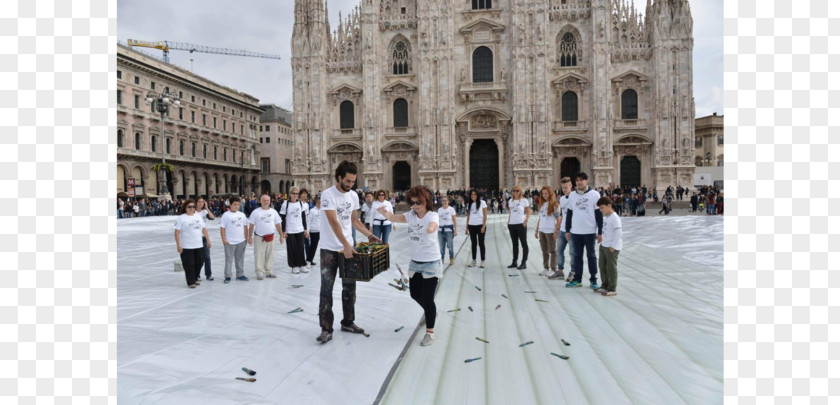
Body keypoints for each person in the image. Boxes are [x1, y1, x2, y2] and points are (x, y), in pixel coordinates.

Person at [316, 161, 381, 344]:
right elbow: (333, 221)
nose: (351, 185)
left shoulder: (353, 196)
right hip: (330, 249)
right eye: (348, 181)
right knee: (326, 289)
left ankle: (348, 322)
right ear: (339, 177)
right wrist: (344, 244)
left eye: (353, 181)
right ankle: (326, 328)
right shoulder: (328, 195)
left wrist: (370, 235)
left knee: (349, 288)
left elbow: (354, 221)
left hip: (348, 248)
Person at [376, 185, 441, 346]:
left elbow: (433, 226)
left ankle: (430, 332)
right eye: (412, 203)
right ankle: (430, 310)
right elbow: (393, 218)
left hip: (431, 262)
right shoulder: (410, 215)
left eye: (418, 202)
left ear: (426, 200)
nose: (415, 206)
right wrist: (384, 213)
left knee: (427, 297)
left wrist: (430, 228)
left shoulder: (433, 215)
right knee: (414, 294)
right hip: (415, 262)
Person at [564, 172, 604, 289]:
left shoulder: (594, 194)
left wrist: (600, 232)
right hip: (576, 231)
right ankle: (577, 279)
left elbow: (599, 214)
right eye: (577, 180)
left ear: (586, 181)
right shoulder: (572, 195)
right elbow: (569, 214)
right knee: (577, 256)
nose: (579, 182)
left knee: (591, 255)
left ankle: (593, 279)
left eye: (581, 180)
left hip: (590, 231)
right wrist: (567, 230)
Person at [173, 199, 211, 288]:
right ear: (185, 208)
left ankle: (194, 277)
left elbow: (204, 229)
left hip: (198, 244)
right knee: (189, 264)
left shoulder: (198, 216)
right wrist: (178, 244)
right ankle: (191, 282)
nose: (191, 208)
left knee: (200, 261)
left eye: (193, 207)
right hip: (186, 245)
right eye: (189, 207)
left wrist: (208, 240)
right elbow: (177, 232)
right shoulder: (181, 218)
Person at [248, 194, 285, 280]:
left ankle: (268, 271)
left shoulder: (273, 212)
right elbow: (251, 225)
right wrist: (249, 237)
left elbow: (277, 224)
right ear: (260, 201)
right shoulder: (256, 212)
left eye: (268, 200)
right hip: (259, 237)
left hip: (271, 237)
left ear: (270, 201)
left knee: (270, 255)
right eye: (264, 200)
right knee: (259, 255)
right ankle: (259, 272)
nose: (266, 202)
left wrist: (281, 235)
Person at [596, 196, 622, 297]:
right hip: (604, 245)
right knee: (602, 266)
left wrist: (613, 245)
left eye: (602, 208)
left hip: (611, 247)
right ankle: (604, 285)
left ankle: (612, 288)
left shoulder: (615, 217)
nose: (600, 210)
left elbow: (618, 232)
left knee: (611, 267)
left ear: (609, 206)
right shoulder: (607, 217)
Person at [279, 186, 309, 274]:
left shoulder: (300, 204)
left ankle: (302, 264)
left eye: (297, 193)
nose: (295, 195)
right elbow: (283, 218)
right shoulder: (285, 204)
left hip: (299, 229)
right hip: (290, 230)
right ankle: (294, 266)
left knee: (300, 247)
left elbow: (303, 217)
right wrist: (284, 230)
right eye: (294, 193)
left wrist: (305, 229)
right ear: (290, 194)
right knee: (292, 248)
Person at [219, 196, 249, 283]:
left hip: (241, 241)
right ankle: (228, 275)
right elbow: (222, 228)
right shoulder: (226, 215)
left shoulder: (242, 215)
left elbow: (245, 227)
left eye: (238, 204)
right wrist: (224, 239)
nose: (236, 206)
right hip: (230, 241)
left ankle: (240, 274)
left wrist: (245, 238)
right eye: (234, 204)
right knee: (229, 259)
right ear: (230, 205)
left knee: (240, 259)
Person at [535, 186, 562, 277]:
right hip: (542, 230)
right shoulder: (542, 204)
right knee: (544, 250)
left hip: (550, 230)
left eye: (546, 193)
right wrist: (537, 229)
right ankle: (546, 268)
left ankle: (553, 268)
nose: (544, 195)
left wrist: (556, 231)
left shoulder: (555, 204)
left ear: (550, 194)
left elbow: (558, 219)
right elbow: (540, 218)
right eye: (543, 193)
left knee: (552, 250)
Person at [551, 178, 575, 281]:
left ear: (571, 186)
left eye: (566, 187)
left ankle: (573, 271)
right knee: (559, 251)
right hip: (563, 229)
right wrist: (558, 229)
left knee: (572, 252)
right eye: (563, 188)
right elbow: (562, 215)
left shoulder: (575, 198)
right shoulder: (562, 199)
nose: (564, 189)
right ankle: (560, 271)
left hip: (573, 230)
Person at [506, 185, 531, 270]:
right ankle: (514, 261)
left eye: (517, 191)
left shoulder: (524, 201)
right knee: (514, 244)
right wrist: (508, 223)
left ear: (520, 192)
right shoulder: (510, 201)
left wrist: (526, 221)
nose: (515, 192)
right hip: (512, 224)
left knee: (524, 244)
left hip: (521, 224)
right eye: (514, 191)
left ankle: (524, 262)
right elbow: (511, 213)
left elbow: (528, 211)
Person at [465, 189, 487, 268]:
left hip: (480, 225)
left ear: (477, 195)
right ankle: (474, 260)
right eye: (471, 195)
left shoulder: (482, 203)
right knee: (473, 244)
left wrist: (483, 226)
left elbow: (485, 215)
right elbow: (468, 216)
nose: (473, 196)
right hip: (471, 226)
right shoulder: (469, 204)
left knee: (481, 243)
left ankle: (483, 260)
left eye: (474, 194)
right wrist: (466, 227)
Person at [196, 197, 216, 280]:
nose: (201, 203)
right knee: (198, 258)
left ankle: (208, 274)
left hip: (204, 237)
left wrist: (207, 208)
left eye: (202, 202)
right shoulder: (193, 212)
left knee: (207, 257)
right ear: (196, 203)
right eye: (199, 202)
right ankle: (197, 274)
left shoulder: (204, 212)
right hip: (196, 237)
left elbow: (212, 217)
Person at [437, 195, 457, 265]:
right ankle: (441, 259)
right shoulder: (439, 210)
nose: (444, 202)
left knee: (450, 245)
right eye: (443, 201)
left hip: (449, 230)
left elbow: (454, 220)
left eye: (445, 200)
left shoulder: (451, 209)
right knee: (441, 247)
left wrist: (455, 230)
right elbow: (438, 220)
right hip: (441, 230)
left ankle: (451, 258)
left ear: (448, 201)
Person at [305, 195, 322, 268]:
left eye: (321, 202)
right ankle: (309, 261)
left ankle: (323, 261)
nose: (319, 204)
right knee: (313, 246)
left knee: (324, 247)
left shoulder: (323, 211)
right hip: (314, 231)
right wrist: (307, 231)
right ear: (316, 203)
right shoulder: (312, 211)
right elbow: (308, 221)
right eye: (318, 202)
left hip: (322, 231)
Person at [299, 188, 313, 269]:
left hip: (306, 227)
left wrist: (307, 229)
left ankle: (308, 259)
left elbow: (308, 217)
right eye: (303, 194)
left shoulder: (307, 205)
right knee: (301, 245)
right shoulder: (298, 203)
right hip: (299, 227)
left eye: (305, 194)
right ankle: (301, 260)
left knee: (307, 244)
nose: (304, 195)